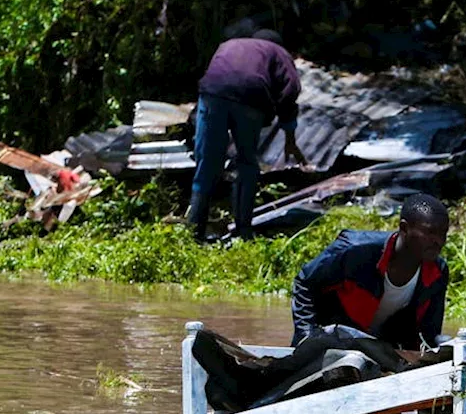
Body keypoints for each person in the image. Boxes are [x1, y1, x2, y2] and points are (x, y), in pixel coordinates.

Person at [189, 29, 307, 242]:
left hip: (213, 92)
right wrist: (289, 137)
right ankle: (243, 232)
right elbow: (290, 90)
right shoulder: (278, 51)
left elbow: (214, 74)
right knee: (246, 163)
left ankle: (193, 233)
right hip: (250, 97)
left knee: (207, 163)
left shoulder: (229, 44)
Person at [291, 194, 450, 351]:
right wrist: (306, 336)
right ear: (404, 228)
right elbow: (305, 282)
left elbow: (428, 334)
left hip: (380, 348)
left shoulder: (437, 272)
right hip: (332, 341)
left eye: (443, 233)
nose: (439, 241)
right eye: (430, 233)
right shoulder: (355, 251)